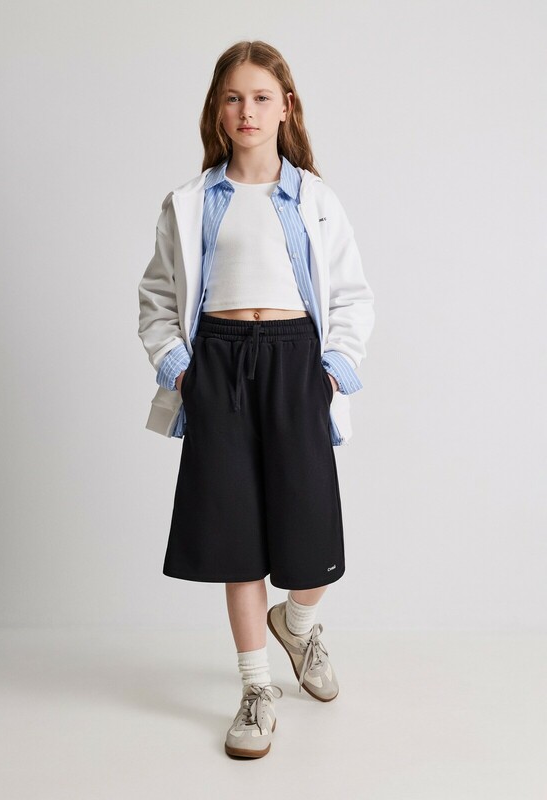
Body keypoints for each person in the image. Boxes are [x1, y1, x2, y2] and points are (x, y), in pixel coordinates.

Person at [137, 40, 375, 759]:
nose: (247, 110)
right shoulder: (188, 202)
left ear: (285, 108)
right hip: (219, 362)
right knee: (237, 534)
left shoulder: (315, 200)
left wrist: (330, 371)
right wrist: (183, 370)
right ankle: (256, 688)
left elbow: (353, 294)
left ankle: (297, 627)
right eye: (234, 98)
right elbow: (156, 296)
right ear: (218, 109)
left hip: (296, 361)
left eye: (261, 97)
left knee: (311, 533)